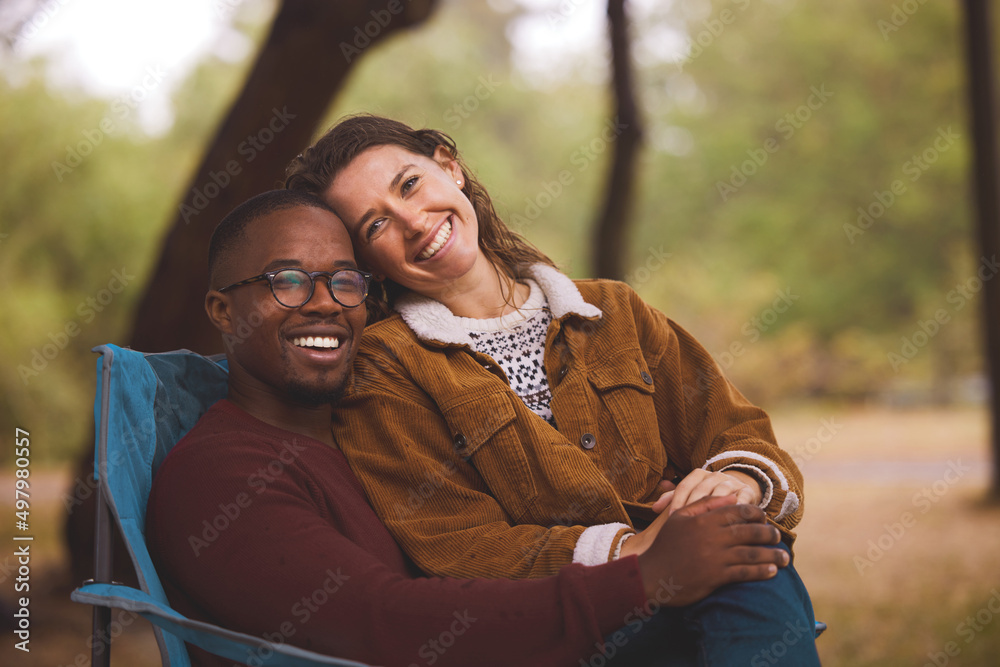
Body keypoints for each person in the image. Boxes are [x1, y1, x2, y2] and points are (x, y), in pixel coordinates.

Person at [145, 189, 792, 667]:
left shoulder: (369, 435)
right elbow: (385, 623)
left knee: (735, 553)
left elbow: (485, 538)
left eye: (345, 281)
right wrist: (643, 573)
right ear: (223, 309)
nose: (325, 302)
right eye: (288, 280)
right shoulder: (220, 472)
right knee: (737, 569)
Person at [283, 115, 820, 663]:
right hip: (562, 629)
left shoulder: (613, 310)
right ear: (365, 263)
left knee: (740, 543)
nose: (414, 223)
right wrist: (632, 550)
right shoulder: (385, 367)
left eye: (410, 184)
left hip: (698, 583)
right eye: (375, 226)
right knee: (748, 561)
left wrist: (735, 484)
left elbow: (735, 429)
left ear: (450, 166)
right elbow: (455, 540)